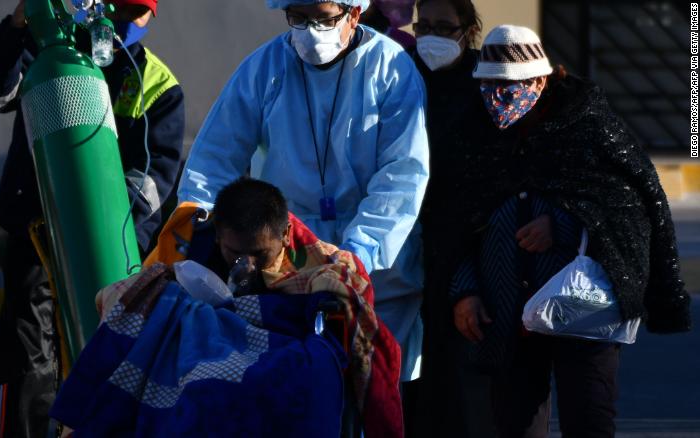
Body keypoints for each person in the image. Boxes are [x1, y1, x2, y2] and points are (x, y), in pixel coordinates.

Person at [443, 25, 692, 437]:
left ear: (540, 79)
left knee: (589, 422)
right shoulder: (472, 134)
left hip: (583, 309)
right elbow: (454, 220)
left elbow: (629, 206)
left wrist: (562, 224)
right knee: (516, 427)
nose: (498, 94)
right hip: (504, 310)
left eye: (511, 84)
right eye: (487, 83)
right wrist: (464, 289)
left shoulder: (587, 124)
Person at [177, 0, 429, 385]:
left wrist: (358, 253)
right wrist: (197, 219)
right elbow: (215, 154)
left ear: (354, 14)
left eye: (325, 19)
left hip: (375, 271)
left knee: (367, 391)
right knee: (289, 390)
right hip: (286, 260)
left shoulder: (391, 69)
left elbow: (402, 176)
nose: (311, 31)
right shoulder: (265, 67)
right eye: (299, 17)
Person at [0, 0, 184, 435]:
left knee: (105, 358)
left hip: (113, 255)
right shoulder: (51, 56)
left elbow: (155, 177)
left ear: (150, 17)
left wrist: (98, 224)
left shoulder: (157, 85)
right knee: (28, 360)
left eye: (135, 12)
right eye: (118, 7)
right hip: (37, 240)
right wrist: (18, 25)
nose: (123, 20)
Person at [57, 178, 404, 437]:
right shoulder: (191, 246)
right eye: (235, 253)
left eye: (260, 254)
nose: (247, 265)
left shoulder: (322, 265)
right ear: (220, 234)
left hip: (272, 359)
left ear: (285, 236)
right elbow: (139, 299)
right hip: (193, 359)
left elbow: (354, 326)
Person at [408, 1, 483, 436]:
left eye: (444, 27)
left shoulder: (485, 81)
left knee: (461, 383)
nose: (430, 36)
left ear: (469, 30)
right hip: (409, 240)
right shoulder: (400, 75)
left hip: (465, 245)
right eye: (424, 26)